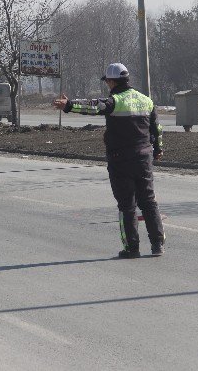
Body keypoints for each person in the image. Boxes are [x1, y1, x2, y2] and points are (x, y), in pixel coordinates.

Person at [52, 63, 165, 258]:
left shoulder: (115, 101)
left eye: (107, 82)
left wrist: (69, 105)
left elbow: (94, 107)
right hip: (143, 159)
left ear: (111, 81)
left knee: (127, 205)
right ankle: (158, 245)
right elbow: (157, 128)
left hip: (121, 160)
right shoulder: (146, 101)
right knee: (148, 201)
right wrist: (158, 149)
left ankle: (132, 248)